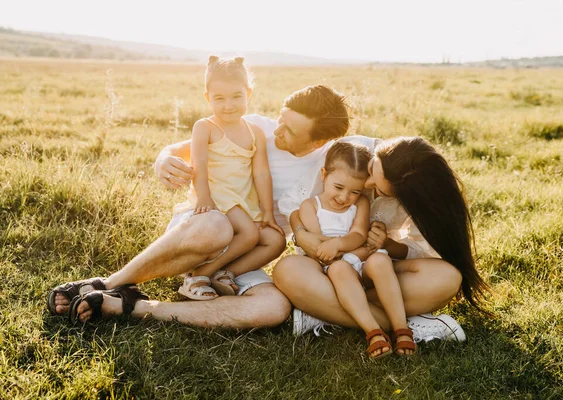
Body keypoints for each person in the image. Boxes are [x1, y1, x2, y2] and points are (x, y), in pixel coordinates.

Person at [46, 85, 350, 328]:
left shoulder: (334, 166)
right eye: (282, 119)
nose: (278, 130)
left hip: (241, 256)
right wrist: (164, 159)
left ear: (317, 142)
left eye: (290, 131)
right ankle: (109, 282)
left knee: (274, 307)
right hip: (201, 226)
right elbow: (180, 148)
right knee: (217, 226)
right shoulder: (253, 126)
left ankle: (129, 306)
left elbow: (389, 156)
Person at [273, 136, 489, 345]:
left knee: (448, 277)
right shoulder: (351, 153)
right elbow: (295, 202)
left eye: (378, 189)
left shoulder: (416, 195)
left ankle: (325, 312)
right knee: (287, 270)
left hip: (374, 272)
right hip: (323, 269)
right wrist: (301, 234)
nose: (366, 184)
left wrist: (388, 244)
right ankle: (403, 326)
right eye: (371, 171)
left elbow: (424, 249)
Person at [172, 55, 284, 301]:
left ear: (248, 94)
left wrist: (267, 211)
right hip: (217, 196)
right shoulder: (205, 127)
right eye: (219, 98)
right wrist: (204, 197)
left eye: (236, 96)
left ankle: (226, 273)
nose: (229, 105)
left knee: (276, 240)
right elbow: (197, 165)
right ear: (207, 98)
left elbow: (261, 173)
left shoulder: (255, 132)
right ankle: (198, 276)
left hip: (243, 203)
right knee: (250, 235)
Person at [297, 141, 416, 358]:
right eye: (338, 187)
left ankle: (401, 328)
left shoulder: (360, 203)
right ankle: (373, 331)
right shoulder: (310, 206)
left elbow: (359, 234)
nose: (344, 198)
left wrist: (339, 245)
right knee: (339, 269)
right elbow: (318, 243)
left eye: (354, 191)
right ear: (323, 175)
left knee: (380, 261)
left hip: (357, 258)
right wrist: (337, 248)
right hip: (333, 266)